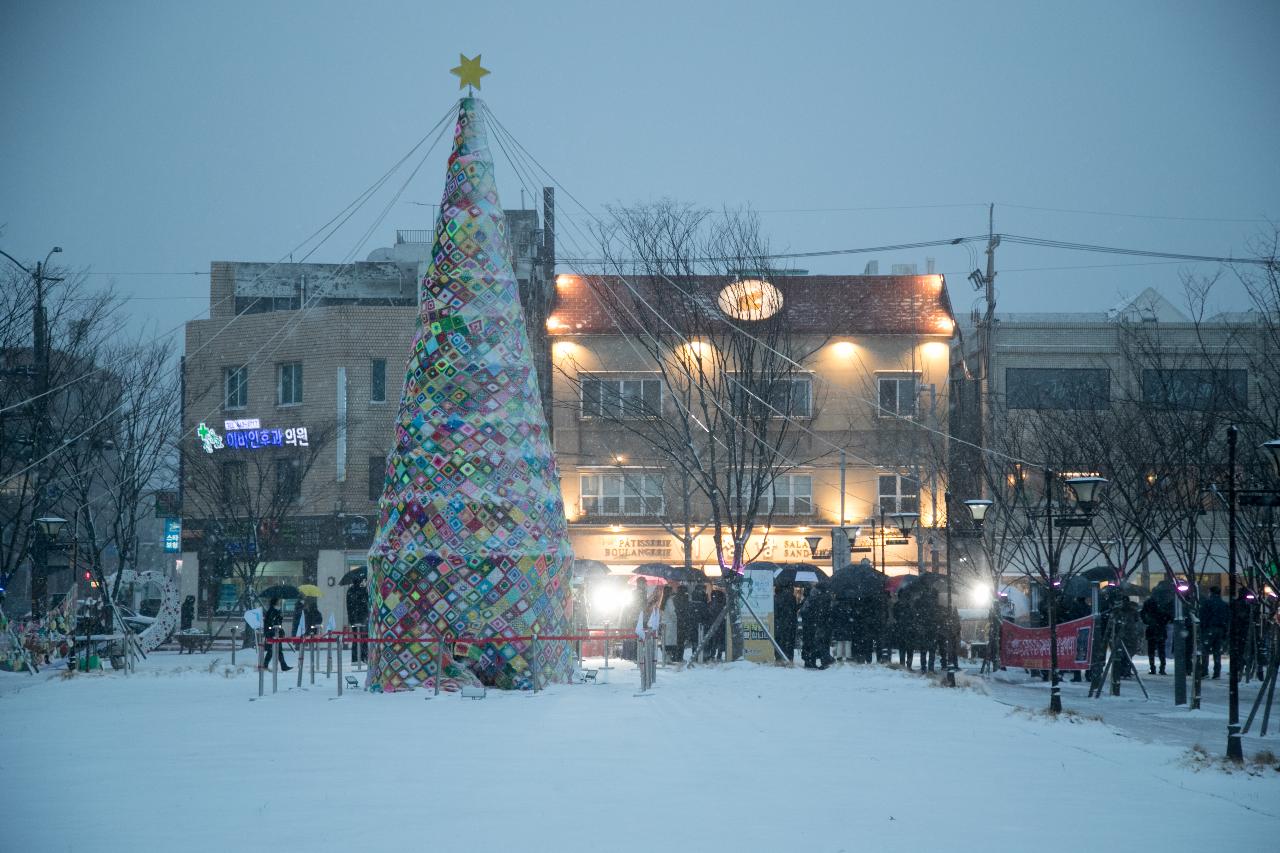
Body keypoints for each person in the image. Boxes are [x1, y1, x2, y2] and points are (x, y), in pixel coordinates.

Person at [1200, 586, 1229, 679]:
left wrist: (1203, 628)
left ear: (1211, 592)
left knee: (1205, 651)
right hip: (1220, 629)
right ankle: (1217, 672)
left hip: (1209, 629)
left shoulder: (1207, 603)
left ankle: (1205, 671)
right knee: (1217, 652)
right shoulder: (1224, 604)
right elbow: (1227, 618)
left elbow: (1203, 616)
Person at [1140, 593, 1170, 675]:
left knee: (1151, 650)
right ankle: (1162, 668)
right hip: (1160, 628)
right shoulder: (1164, 603)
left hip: (1152, 628)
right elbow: (1168, 615)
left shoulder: (1148, 603)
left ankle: (1152, 667)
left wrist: (1148, 621)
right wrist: (1164, 621)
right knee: (1161, 650)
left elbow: (1142, 614)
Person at [262, 597, 291, 671]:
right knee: (273, 650)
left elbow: (277, 622)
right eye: (278, 602)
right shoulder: (272, 611)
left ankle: (282, 665)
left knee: (276, 650)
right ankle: (281, 666)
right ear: (275, 603)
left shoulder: (276, 611)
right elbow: (271, 623)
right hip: (272, 633)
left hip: (276, 633)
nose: (279, 604)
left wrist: (280, 618)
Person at [346, 576, 370, 664]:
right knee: (363, 638)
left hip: (353, 619)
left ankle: (356, 657)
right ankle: (363, 656)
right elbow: (366, 601)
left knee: (356, 638)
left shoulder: (350, 591)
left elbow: (350, 606)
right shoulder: (361, 591)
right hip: (362, 618)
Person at [773, 583, 798, 663]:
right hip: (790, 623)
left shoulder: (776, 597)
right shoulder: (792, 597)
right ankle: (789, 658)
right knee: (789, 641)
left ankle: (779, 658)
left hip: (778, 623)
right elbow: (794, 610)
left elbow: (776, 611)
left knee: (779, 640)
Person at [660, 587, 680, 663]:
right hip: (670, 624)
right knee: (670, 642)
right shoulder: (669, 601)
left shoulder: (663, 601)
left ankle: (665, 657)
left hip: (664, 623)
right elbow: (672, 612)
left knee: (665, 641)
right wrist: (676, 618)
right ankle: (668, 658)